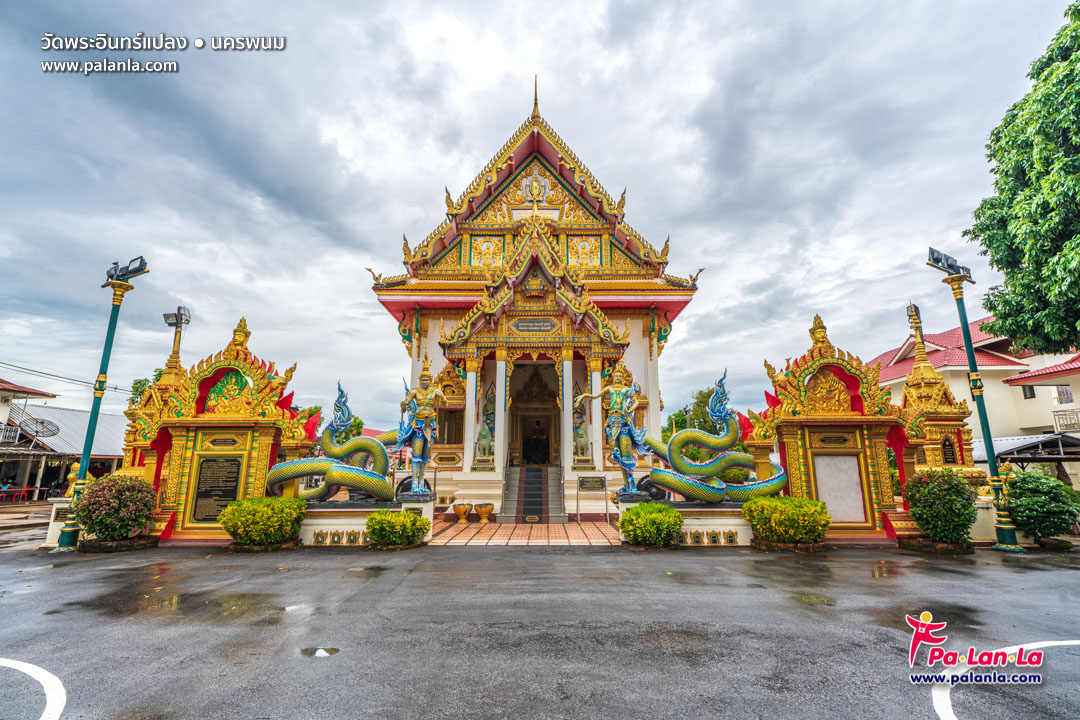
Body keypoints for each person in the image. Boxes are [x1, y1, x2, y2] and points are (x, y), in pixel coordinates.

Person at [574, 361, 648, 491]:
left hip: (624, 423)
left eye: (620, 376)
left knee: (626, 454)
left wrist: (630, 410)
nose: (618, 378)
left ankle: (631, 483)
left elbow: (636, 402)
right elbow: (595, 395)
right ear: (613, 378)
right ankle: (627, 485)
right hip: (611, 423)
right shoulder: (609, 389)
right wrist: (584, 395)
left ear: (623, 378)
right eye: (616, 376)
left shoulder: (626, 390)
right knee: (617, 454)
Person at [395, 352, 446, 493]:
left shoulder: (435, 392)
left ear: (430, 380)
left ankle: (422, 482)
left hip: (430, 426)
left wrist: (442, 397)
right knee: (416, 457)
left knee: (425, 457)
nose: (424, 381)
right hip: (418, 427)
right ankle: (414, 485)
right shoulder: (415, 392)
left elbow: (445, 402)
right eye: (422, 379)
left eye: (427, 379)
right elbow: (406, 402)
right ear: (420, 379)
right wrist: (404, 404)